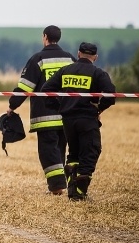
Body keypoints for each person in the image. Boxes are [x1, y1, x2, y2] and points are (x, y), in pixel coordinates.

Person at [41, 42, 116, 201]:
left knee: (73, 154)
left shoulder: (65, 70)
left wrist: (60, 106)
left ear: (78, 54)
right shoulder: (97, 73)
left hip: (68, 120)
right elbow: (110, 95)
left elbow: (45, 90)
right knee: (90, 152)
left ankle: (73, 190)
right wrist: (98, 109)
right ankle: (79, 193)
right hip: (87, 120)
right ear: (95, 57)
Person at [6, 25, 74, 195]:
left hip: (45, 116)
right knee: (60, 149)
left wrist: (12, 105)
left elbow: (25, 87)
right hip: (67, 114)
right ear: (59, 38)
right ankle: (61, 184)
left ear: (45, 37)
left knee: (48, 151)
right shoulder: (70, 59)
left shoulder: (39, 59)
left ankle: (57, 187)